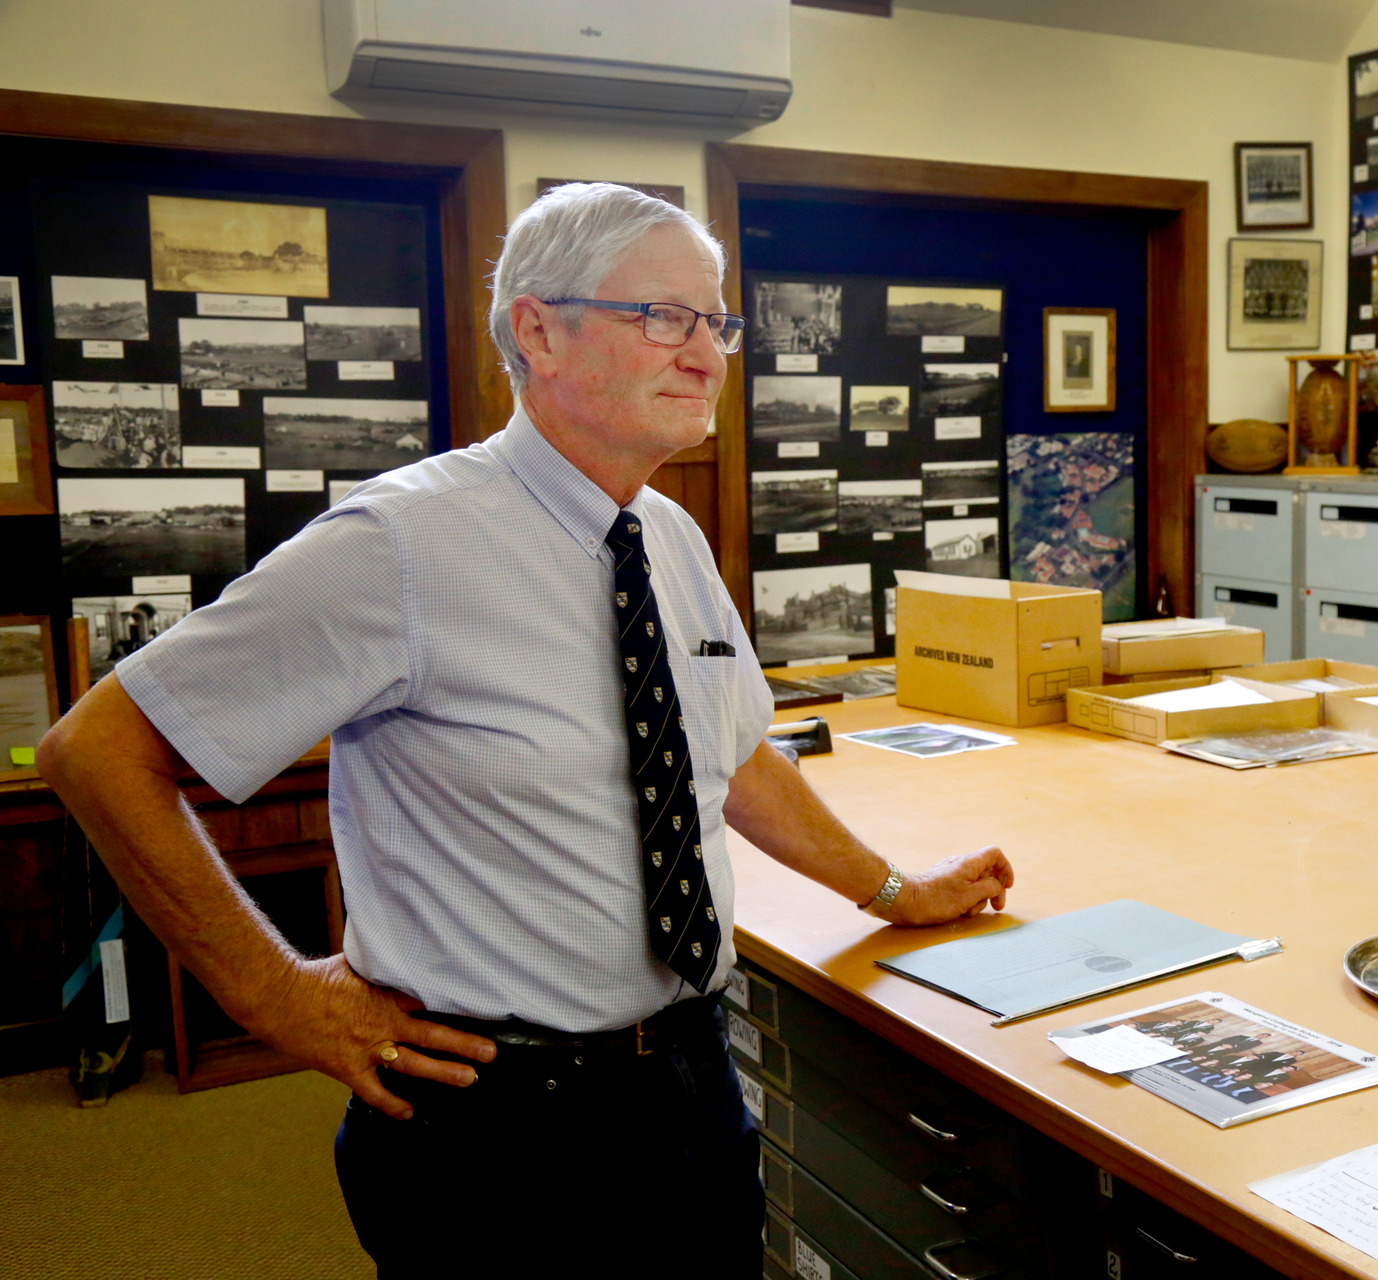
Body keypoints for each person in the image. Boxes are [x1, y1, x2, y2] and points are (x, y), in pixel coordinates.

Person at [36, 182, 1015, 1276]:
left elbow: (730, 759)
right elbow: (98, 748)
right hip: (496, 1128)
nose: (706, 353)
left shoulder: (670, 535)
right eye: (664, 316)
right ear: (538, 330)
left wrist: (889, 888)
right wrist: (273, 993)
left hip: (691, 1083)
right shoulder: (402, 543)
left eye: (717, 321)